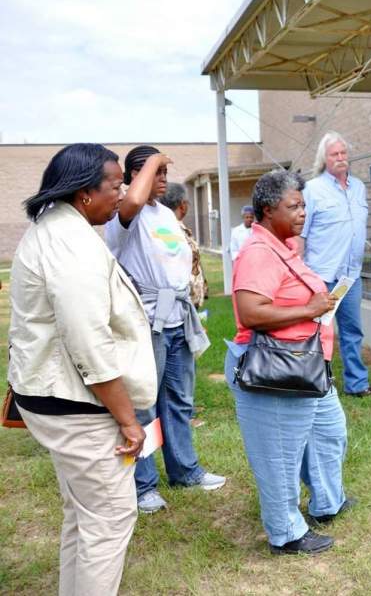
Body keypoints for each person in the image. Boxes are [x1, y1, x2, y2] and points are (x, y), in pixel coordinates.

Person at [8, 143, 158, 595]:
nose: (124, 194)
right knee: (109, 519)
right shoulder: (71, 245)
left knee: (85, 514)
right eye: (116, 185)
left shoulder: (57, 229)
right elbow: (88, 345)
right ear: (84, 193)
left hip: (57, 397)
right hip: (77, 405)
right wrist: (129, 421)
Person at [225, 169, 352, 555]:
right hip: (276, 371)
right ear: (267, 210)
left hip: (307, 365)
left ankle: (327, 502)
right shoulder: (259, 252)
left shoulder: (283, 247)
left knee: (329, 432)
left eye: (303, 205)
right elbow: (250, 311)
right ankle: (286, 534)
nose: (302, 213)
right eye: (293, 206)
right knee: (279, 454)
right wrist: (309, 307)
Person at [105, 145, 225, 514]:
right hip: (147, 321)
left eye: (163, 172)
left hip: (177, 319)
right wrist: (154, 160)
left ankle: (185, 471)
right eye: (153, 172)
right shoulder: (123, 214)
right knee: (144, 404)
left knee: (178, 400)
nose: (162, 179)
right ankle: (143, 487)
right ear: (133, 177)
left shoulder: (164, 215)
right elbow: (133, 202)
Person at [301, 132, 371, 397]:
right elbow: (301, 234)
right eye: (335, 154)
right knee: (319, 331)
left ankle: (357, 383)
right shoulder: (312, 190)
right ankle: (318, 381)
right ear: (325, 158)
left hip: (350, 276)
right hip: (322, 275)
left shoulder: (358, 187)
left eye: (343, 153)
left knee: (352, 331)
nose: (341, 158)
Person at [160, 182, 208, 308]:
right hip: (180, 305)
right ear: (182, 205)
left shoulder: (168, 229)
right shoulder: (171, 231)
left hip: (185, 303)